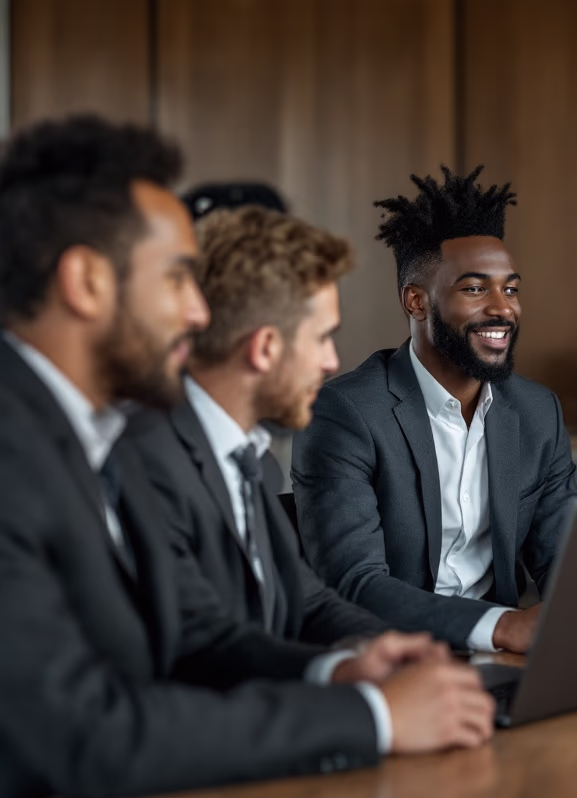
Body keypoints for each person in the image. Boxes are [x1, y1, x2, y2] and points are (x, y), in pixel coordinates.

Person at [0, 116, 493, 798]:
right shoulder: (20, 452)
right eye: (176, 279)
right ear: (85, 281)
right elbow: (90, 732)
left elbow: (196, 632)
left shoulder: (83, 436)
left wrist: (342, 667)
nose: (199, 311)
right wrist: (374, 718)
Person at [292, 166, 577, 653]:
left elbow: (565, 563)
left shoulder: (536, 412)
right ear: (417, 301)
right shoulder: (346, 413)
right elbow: (354, 584)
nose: (502, 308)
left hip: (503, 661)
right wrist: (502, 627)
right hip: (390, 661)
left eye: (510, 289)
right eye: (474, 288)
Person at [124, 206, 391, 645]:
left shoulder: (254, 462)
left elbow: (307, 601)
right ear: (265, 347)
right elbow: (205, 646)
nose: (332, 362)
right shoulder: (148, 462)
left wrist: (404, 654)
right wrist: (343, 676)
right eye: (323, 337)